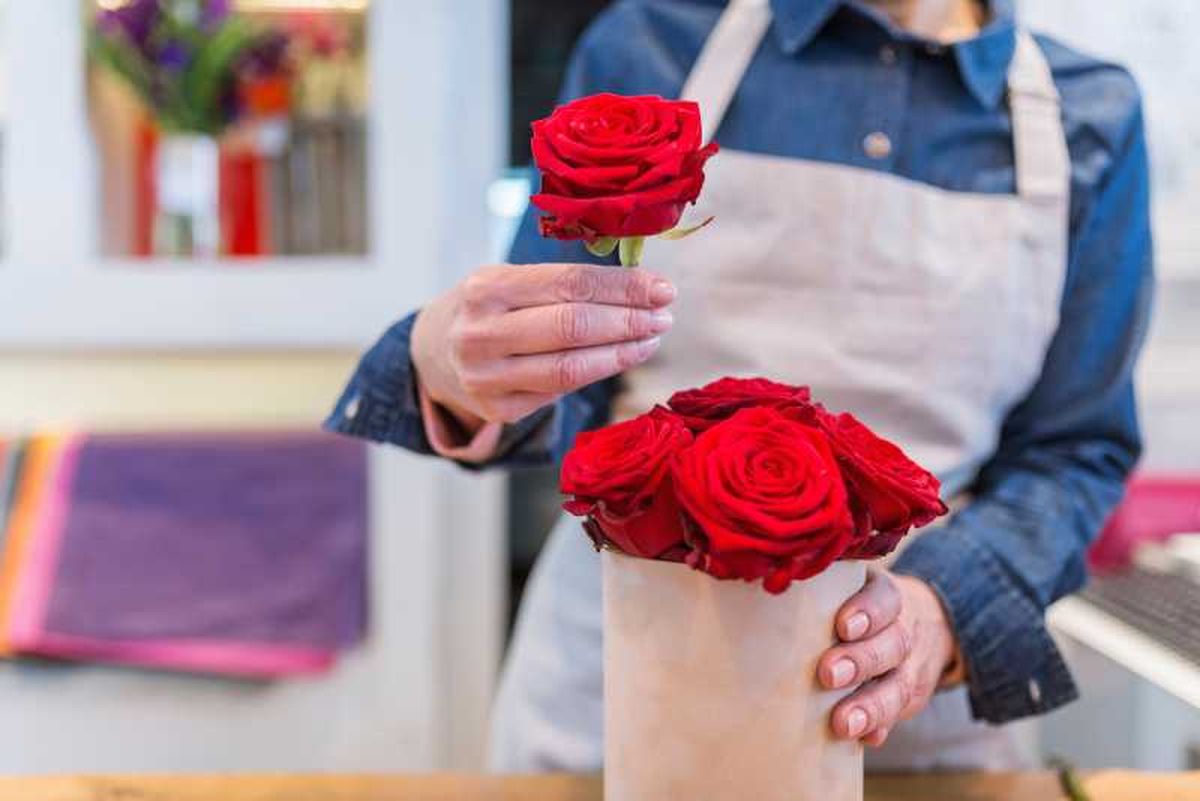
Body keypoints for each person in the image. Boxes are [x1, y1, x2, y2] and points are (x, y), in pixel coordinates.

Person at [327, 0, 1153, 772]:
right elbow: (556, 382)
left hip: (913, 735)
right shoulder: (652, 45)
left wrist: (945, 610)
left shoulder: (1090, 116)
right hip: (614, 706)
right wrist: (457, 371)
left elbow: (1073, 449)